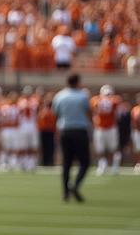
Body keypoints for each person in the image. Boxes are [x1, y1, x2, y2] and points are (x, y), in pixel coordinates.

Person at [52, 73, 92, 203]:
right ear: (77, 82)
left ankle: (65, 191)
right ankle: (75, 186)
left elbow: (56, 113)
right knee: (84, 162)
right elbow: (88, 113)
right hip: (79, 130)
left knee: (67, 162)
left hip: (65, 130)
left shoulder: (60, 96)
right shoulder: (82, 96)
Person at [91, 84, 121, 176]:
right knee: (100, 149)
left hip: (111, 127)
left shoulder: (114, 101)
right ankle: (102, 165)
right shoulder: (97, 100)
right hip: (100, 127)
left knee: (113, 148)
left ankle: (115, 166)